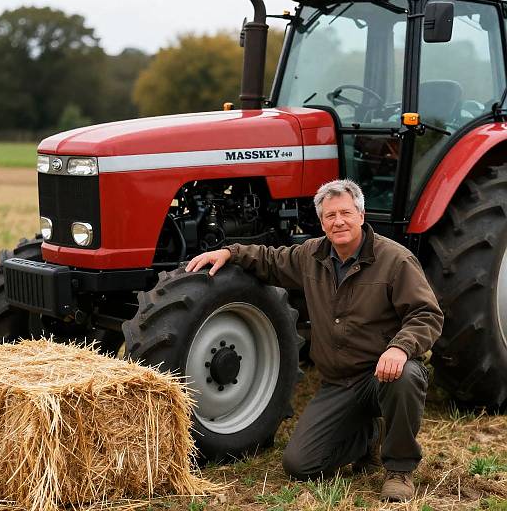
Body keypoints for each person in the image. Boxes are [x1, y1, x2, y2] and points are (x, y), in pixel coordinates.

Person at [185, 179, 443, 501]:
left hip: (382, 374)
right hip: (340, 382)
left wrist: (399, 347)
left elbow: (427, 314)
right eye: (330, 216)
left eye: (346, 213)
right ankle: (369, 436)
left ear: (361, 216)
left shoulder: (395, 260)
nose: (339, 221)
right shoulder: (312, 255)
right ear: (321, 222)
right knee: (300, 466)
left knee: (407, 376)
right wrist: (229, 252)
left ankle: (399, 469)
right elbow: (270, 259)